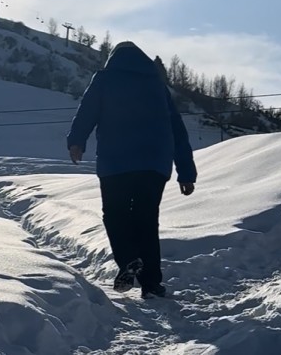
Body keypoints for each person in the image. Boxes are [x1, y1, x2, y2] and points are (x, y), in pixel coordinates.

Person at [66, 41, 197, 299]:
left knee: (115, 215)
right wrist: (186, 172)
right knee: (146, 220)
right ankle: (151, 283)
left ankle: (128, 259)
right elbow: (177, 130)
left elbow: (87, 110)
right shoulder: (157, 86)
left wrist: (76, 141)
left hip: (116, 161)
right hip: (154, 163)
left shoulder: (105, 79)